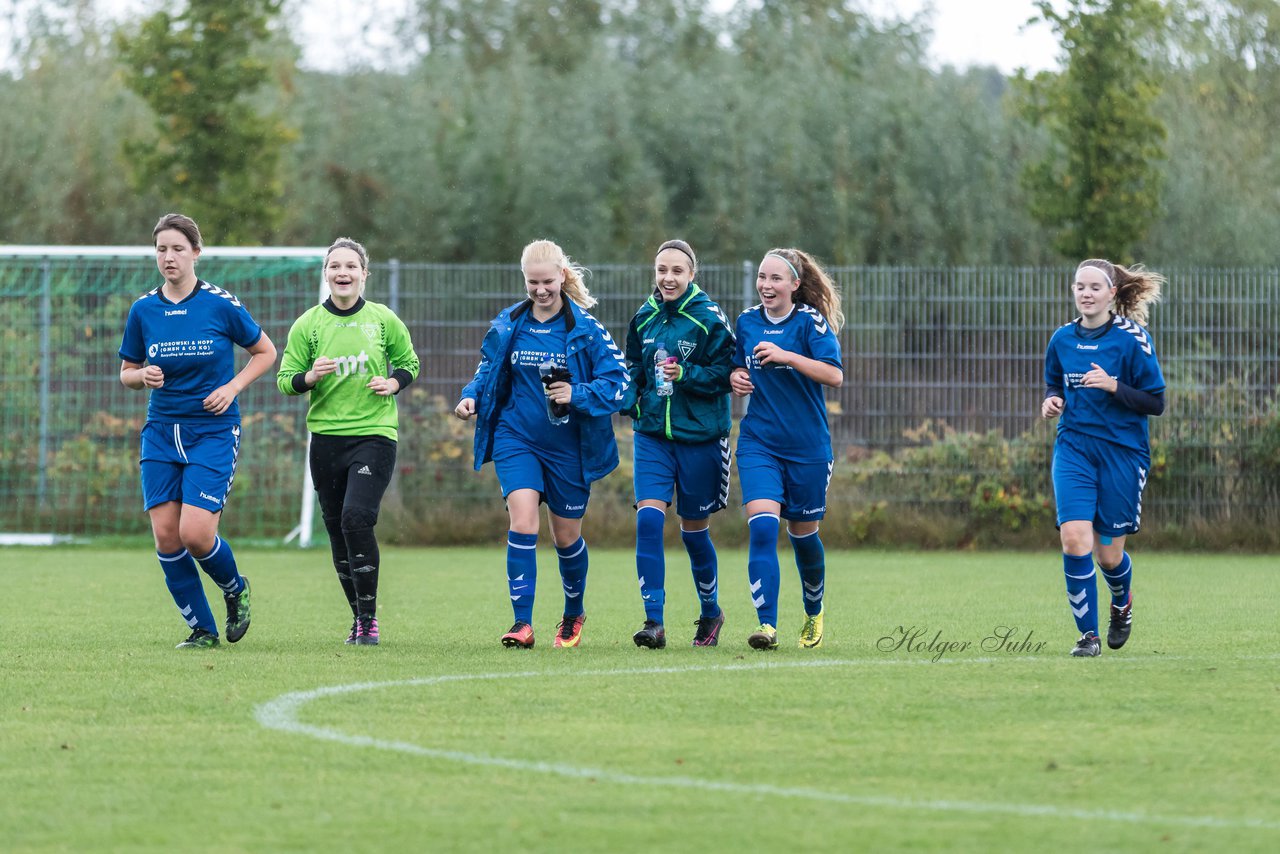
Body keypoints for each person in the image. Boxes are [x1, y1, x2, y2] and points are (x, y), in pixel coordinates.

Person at [454, 239, 629, 649]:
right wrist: (470, 396)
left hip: (570, 448)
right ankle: (522, 624)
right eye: (532, 282)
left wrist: (578, 394)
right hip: (517, 438)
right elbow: (487, 370)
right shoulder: (509, 323)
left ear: (562, 276)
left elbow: (623, 387)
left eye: (547, 281)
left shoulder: (585, 329)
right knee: (523, 521)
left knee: (566, 538)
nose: (540, 290)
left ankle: (573, 613)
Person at [118, 213, 277, 649]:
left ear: (196, 253)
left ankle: (235, 588)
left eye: (177, 249)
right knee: (167, 536)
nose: (168, 257)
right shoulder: (144, 309)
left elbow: (265, 352)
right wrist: (141, 377)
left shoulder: (220, 304)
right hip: (161, 432)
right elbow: (126, 372)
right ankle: (202, 629)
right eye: (161, 249)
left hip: (212, 432)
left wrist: (232, 386)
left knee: (196, 533)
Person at [276, 237, 419, 646]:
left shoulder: (382, 319)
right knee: (337, 530)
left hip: (374, 435)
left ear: (364, 274)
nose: (343, 273)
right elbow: (286, 380)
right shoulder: (308, 325)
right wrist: (310, 377)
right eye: (335, 266)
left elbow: (410, 362)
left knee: (357, 518)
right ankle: (357, 618)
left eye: (351, 267)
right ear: (326, 274)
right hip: (325, 441)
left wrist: (393, 382)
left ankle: (370, 620)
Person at [1041, 259, 1166, 657]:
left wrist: (1114, 386)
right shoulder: (1061, 339)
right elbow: (1052, 382)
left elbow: (1156, 402)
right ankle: (1087, 637)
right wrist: (1051, 401)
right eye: (1080, 286)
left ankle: (1122, 600)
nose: (1086, 293)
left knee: (1108, 555)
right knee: (1075, 539)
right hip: (1074, 449)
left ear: (1112, 293)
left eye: (1095, 287)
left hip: (1121, 455)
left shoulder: (1132, 339)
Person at [622, 239, 735, 649]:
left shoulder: (709, 319)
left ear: (692, 274)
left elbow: (728, 374)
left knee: (693, 533)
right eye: (661, 270)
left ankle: (710, 612)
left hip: (700, 437)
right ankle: (654, 622)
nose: (668, 278)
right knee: (648, 521)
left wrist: (686, 374)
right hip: (651, 435)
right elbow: (633, 367)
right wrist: (629, 399)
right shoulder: (644, 317)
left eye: (676, 271)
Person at [730, 247, 844, 651]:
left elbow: (834, 375)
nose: (766, 285)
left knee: (803, 534)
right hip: (759, 442)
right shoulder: (745, 322)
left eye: (776, 278)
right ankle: (767, 625)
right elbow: (734, 363)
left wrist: (788, 357)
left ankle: (813, 611)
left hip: (809, 448)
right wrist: (736, 375)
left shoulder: (810, 323)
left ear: (795, 285)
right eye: (762, 277)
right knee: (762, 525)